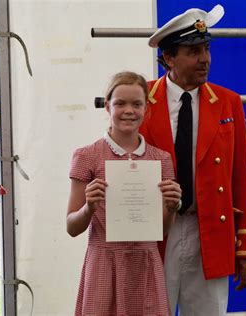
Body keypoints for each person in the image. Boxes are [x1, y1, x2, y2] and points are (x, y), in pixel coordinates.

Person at [139, 5, 246, 315]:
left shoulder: (228, 102)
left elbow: (240, 176)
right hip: (155, 233)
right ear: (169, 57)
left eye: (205, 49)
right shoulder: (140, 100)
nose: (204, 59)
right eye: (193, 51)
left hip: (210, 232)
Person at [67, 71, 182, 315]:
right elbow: (72, 227)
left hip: (146, 265)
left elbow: (159, 231)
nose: (128, 110)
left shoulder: (161, 159)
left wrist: (172, 208)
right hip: (103, 265)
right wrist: (88, 207)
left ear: (146, 109)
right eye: (120, 103)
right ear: (107, 106)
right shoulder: (87, 156)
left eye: (137, 104)